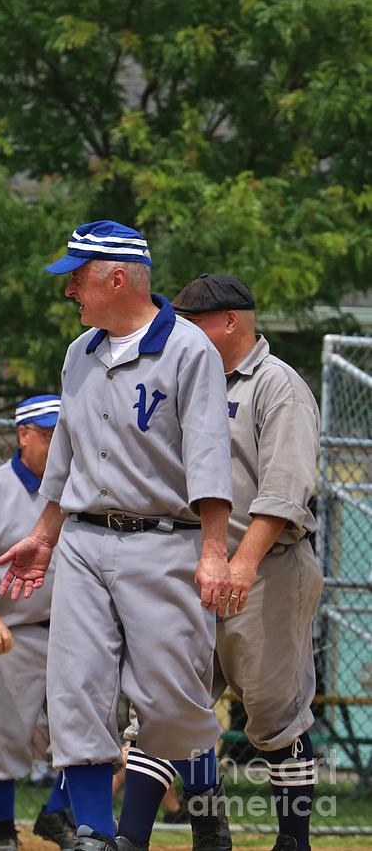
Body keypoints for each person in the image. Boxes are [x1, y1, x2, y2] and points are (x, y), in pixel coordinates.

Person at [0, 221, 234, 851]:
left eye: (77, 275)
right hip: (83, 541)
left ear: (116, 277)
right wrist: (43, 537)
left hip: (165, 539)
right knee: (75, 689)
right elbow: (66, 455)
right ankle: (98, 835)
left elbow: (209, 457)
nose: (69, 287)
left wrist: (214, 551)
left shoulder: (187, 350)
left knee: (173, 701)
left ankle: (205, 807)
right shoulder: (81, 353)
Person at [118, 274, 323, 851]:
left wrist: (242, 564)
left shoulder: (276, 386)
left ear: (230, 322)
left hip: (267, 569)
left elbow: (285, 491)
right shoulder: (182, 377)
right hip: (186, 567)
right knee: (164, 704)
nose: (178, 328)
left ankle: (293, 840)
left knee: (274, 714)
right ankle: (134, 838)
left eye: (191, 319)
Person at [0, 395, 76, 851]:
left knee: (92, 729)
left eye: (64, 434)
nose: (58, 443)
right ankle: (3, 828)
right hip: (9, 630)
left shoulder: (81, 485)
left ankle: (56, 813)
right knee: (0, 733)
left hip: (74, 630)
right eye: (48, 435)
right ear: (23, 436)